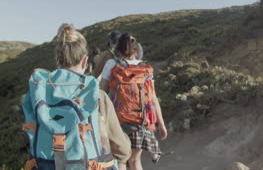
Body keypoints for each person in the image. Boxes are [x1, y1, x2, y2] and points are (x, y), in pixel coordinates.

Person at [22, 24, 131, 170]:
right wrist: (125, 154)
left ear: (57, 59)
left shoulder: (37, 93)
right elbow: (121, 146)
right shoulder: (97, 95)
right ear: (85, 61)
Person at [100, 33, 167, 170]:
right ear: (137, 50)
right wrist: (161, 123)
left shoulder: (112, 64)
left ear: (117, 49)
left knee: (121, 160)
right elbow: (153, 98)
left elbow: (101, 92)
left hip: (118, 120)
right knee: (135, 160)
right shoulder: (145, 68)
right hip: (141, 121)